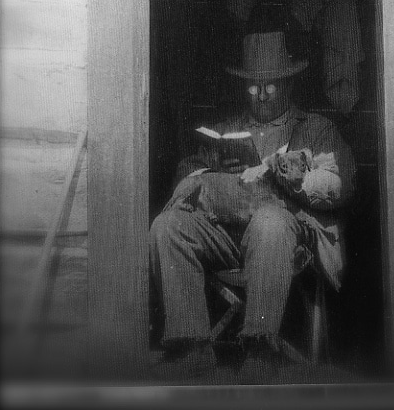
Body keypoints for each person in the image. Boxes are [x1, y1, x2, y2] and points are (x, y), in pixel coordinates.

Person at [150, 31, 356, 383]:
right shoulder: (229, 128)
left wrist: (295, 178)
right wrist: (212, 170)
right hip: (229, 238)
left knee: (269, 219)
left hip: (286, 241)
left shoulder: (316, 129)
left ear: (288, 85)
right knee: (168, 223)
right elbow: (186, 174)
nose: (260, 96)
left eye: (270, 87)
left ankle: (260, 347)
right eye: (252, 88)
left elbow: (342, 185)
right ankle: (192, 347)